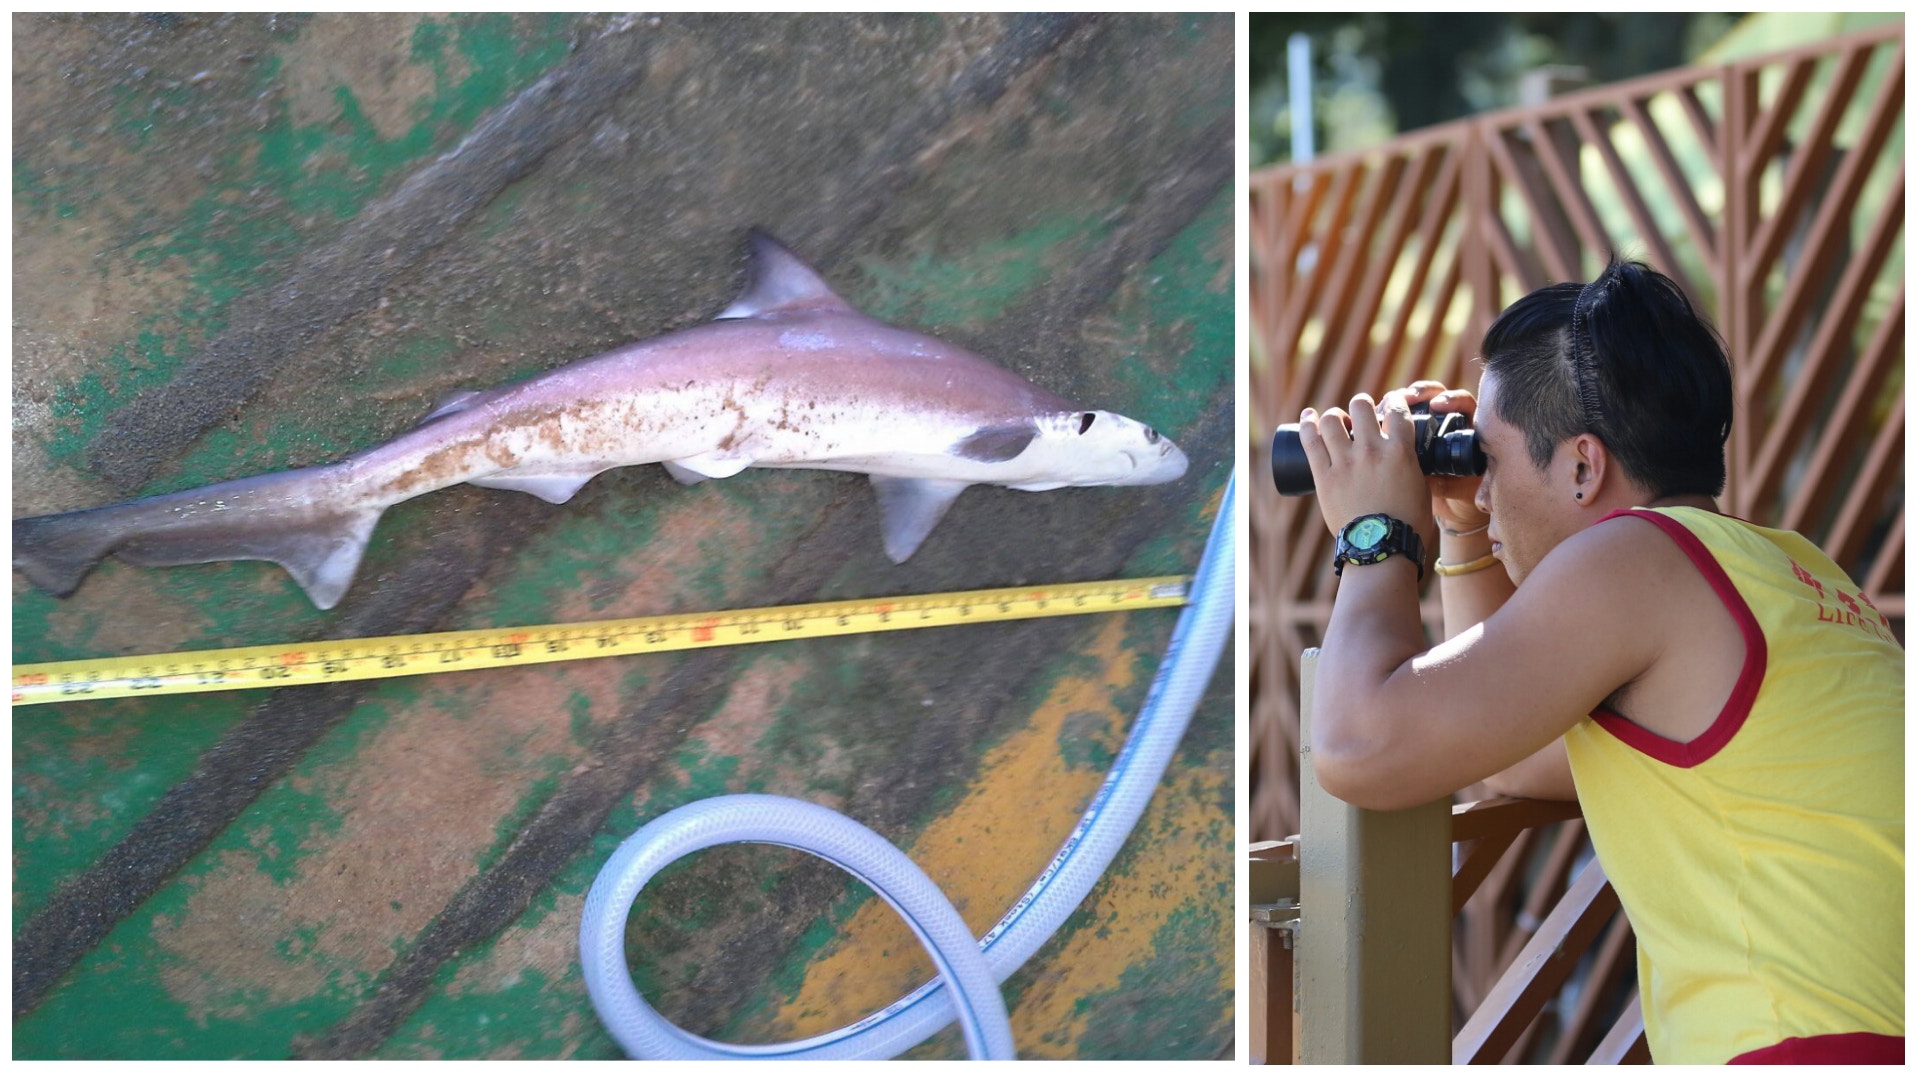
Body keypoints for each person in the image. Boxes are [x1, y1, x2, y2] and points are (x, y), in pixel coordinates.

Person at [1293, 257, 1903, 1065]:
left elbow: (1358, 749)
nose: (1482, 490)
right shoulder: (1788, 567)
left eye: (1492, 462)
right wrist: (1465, 536)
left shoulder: (1634, 557)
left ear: (1583, 466)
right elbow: (1515, 755)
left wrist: (1375, 533)